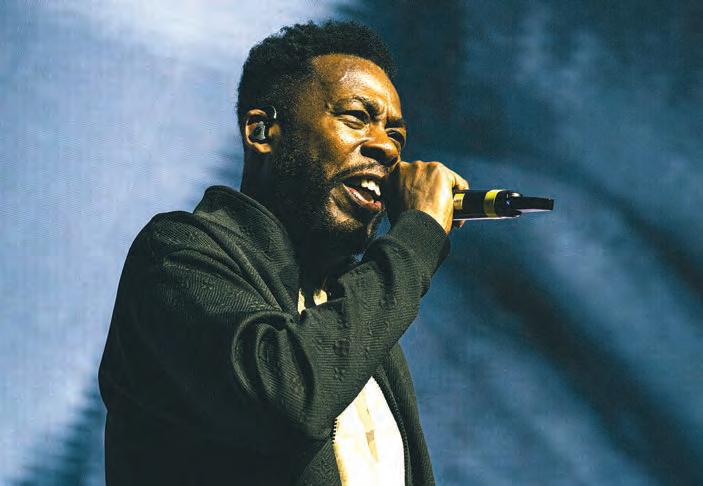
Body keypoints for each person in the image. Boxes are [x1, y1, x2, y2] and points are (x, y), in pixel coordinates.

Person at [99, 20, 468, 485]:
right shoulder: (175, 256)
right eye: (357, 117)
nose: (386, 148)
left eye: (395, 135)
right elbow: (287, 398)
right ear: (262, 131)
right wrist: (417, 238)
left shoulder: (354, 312)